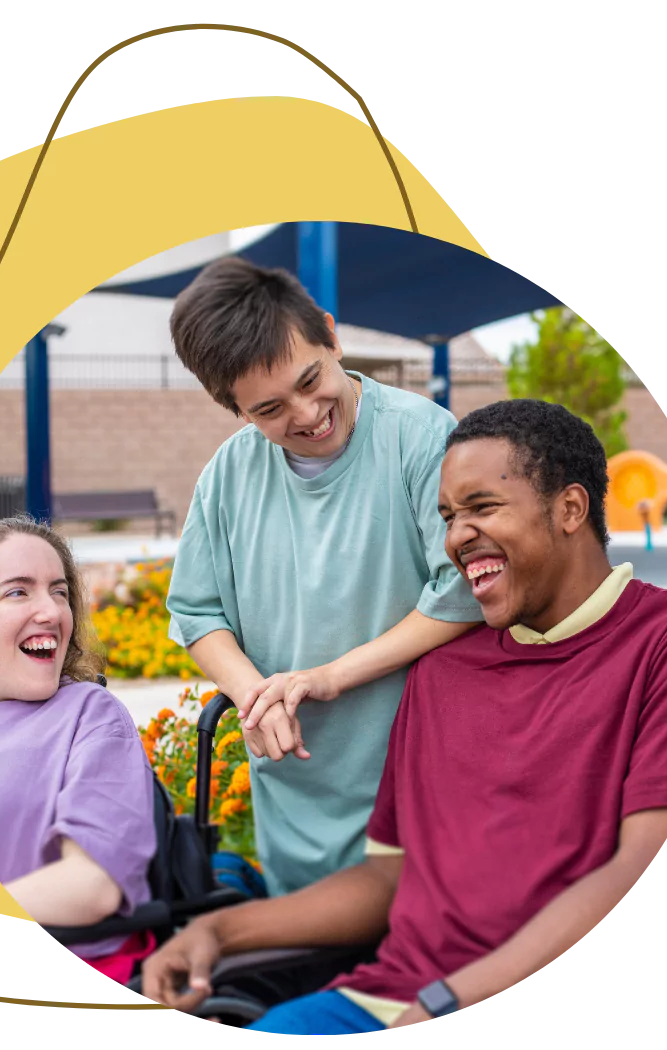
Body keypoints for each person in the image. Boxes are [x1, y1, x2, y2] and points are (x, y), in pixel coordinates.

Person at [143, 400, 667, 1035]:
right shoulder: (442, 671)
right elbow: (388, 881)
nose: (455, 537)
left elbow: (639, 867)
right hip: (383, 998)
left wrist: (448, 1000)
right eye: (448, 517)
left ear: (569, 510)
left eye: (482, 508)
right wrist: (216, 932)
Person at [165, 257, 484, 903]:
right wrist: (255, 697)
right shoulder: (229, 474)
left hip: (414, 775)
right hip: (295, 782)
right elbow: (197, 613)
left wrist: (328, 677)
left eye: (312, 380)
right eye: (270, 409)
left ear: (332, 338)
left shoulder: (424, 439)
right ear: (235, 409)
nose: (309, 414)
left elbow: (461, 596)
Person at [0, 515, 157, 985]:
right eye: (18, 591)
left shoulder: (90, 716)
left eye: (59, 592)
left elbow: (93, 885)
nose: (51, 611)